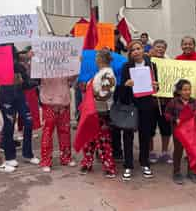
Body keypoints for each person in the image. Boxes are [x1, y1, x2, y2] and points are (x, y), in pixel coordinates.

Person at [119, 40, 158, 181]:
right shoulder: (126, 67)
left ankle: (145, 163)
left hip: (146, 105)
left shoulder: (151, 66)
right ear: (130, 53)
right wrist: (126, 85)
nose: (135, 51)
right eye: (132, 50)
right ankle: (128, 165)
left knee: (145, 134)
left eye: (138, 48)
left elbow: (155, 89)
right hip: (130, 105)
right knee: (128, 135)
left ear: (143, 50)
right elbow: (121, 90)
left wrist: (155, 85)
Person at [0, 46, 40, 168]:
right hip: (6, 99)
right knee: (9, 126)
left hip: (20, 98)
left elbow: (27, 84)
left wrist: (35, 81)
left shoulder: (20, 67)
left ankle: (28, 154)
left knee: (29, 122)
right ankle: (9, 157)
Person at [80, 49, 117, 178]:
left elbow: (107, 93)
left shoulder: (108, 73)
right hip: (93, 111)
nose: (95, 59)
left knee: (103, 140)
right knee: (90, 138)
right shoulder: (100, 73)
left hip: (101, 111)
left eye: (97, 57)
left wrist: (93, 94)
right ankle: (87, 163)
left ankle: (108, 166)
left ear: (101, 59)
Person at [165, 79, 196, 185]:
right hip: (179, 132)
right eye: (185, 90)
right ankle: (176, 173)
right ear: (179, 91)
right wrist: (175, 119)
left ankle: (192, 172)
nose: (188, 92)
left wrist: (195, 114)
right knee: (178, 151)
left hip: (191, 132)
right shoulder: (174, 102)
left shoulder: (194, 102)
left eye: (189, 89)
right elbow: (167, 114)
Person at [40, 77, 77, 172]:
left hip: (64, 100)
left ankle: (66, 157)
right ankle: (46, 161)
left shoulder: (66, 62)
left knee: (65, 131)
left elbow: (72, 79)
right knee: (47, 132)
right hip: (48, 101)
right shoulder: (42, 63)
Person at [148, 39, 173, 165]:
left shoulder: (169, 64)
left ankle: (164, 152)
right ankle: (151, 151)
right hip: (151, 102)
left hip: (166, 103)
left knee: (166, 129)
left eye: (162, 47)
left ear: (165, 49)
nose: (160, 49)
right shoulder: (147, 62)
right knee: (150, 129)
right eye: (157, 47)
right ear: (153, 48)